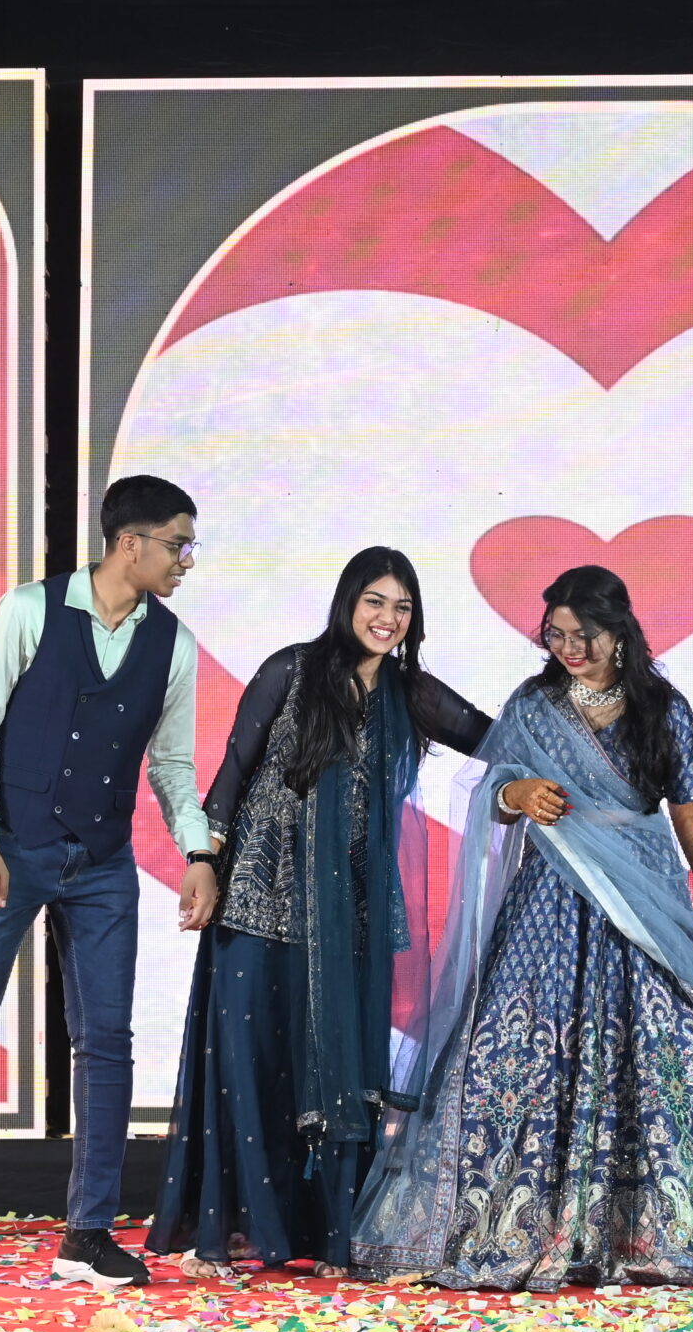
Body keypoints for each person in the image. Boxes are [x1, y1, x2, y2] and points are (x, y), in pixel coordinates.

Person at [354, 565, 693, 1289]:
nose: (569, 648)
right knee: (518, 1050)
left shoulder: (664, 710)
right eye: (556, 635)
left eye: (584, 635)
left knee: (664, 1056)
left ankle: (656, 1234)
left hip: (642, 902)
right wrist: (514, 791)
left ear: (619, 632)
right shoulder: (534, 705)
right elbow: (490, 788)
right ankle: (509, 1227)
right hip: (547, 901)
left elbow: (691, 819)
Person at [0, 475, 218, 1291]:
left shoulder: (174, 645)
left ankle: (87, 1234)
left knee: (106, 1041)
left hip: (101, 862)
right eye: (178, 545)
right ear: (129, 542)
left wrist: (198, 850)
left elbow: (171, 764)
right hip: (11, 847)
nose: (186, 561)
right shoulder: (29, 610)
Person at [147, 547, 492, 1277]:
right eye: (375, 601)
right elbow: (233, 773)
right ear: (347, 602)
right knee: (249, 1059)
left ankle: (330, 1234)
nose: (388, 618)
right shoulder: (291, 670)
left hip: (348, 913)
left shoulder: (410, 693)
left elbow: (498, 738)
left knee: (337, 1066)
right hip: (258, 895)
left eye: (402, 607)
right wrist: (202, 860)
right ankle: (237, 1229)